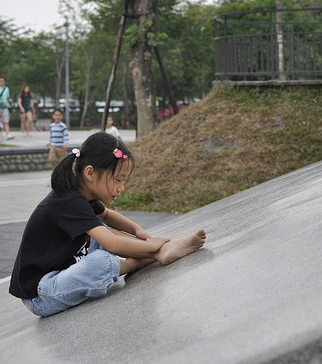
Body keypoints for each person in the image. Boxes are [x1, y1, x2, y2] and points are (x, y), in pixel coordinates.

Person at [9, 132, 206, 317]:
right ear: (90, 173)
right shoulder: (69, 202)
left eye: (124, 180)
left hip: (65, 266)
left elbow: (108, 216)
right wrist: (150, 244)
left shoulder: (83, 194)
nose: (121, 188)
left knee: (104, 231)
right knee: (101, 262)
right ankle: (141, 260)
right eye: (118, 179)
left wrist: (137, 230)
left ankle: (158, 253)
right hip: (42, 293)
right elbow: (112, 244)